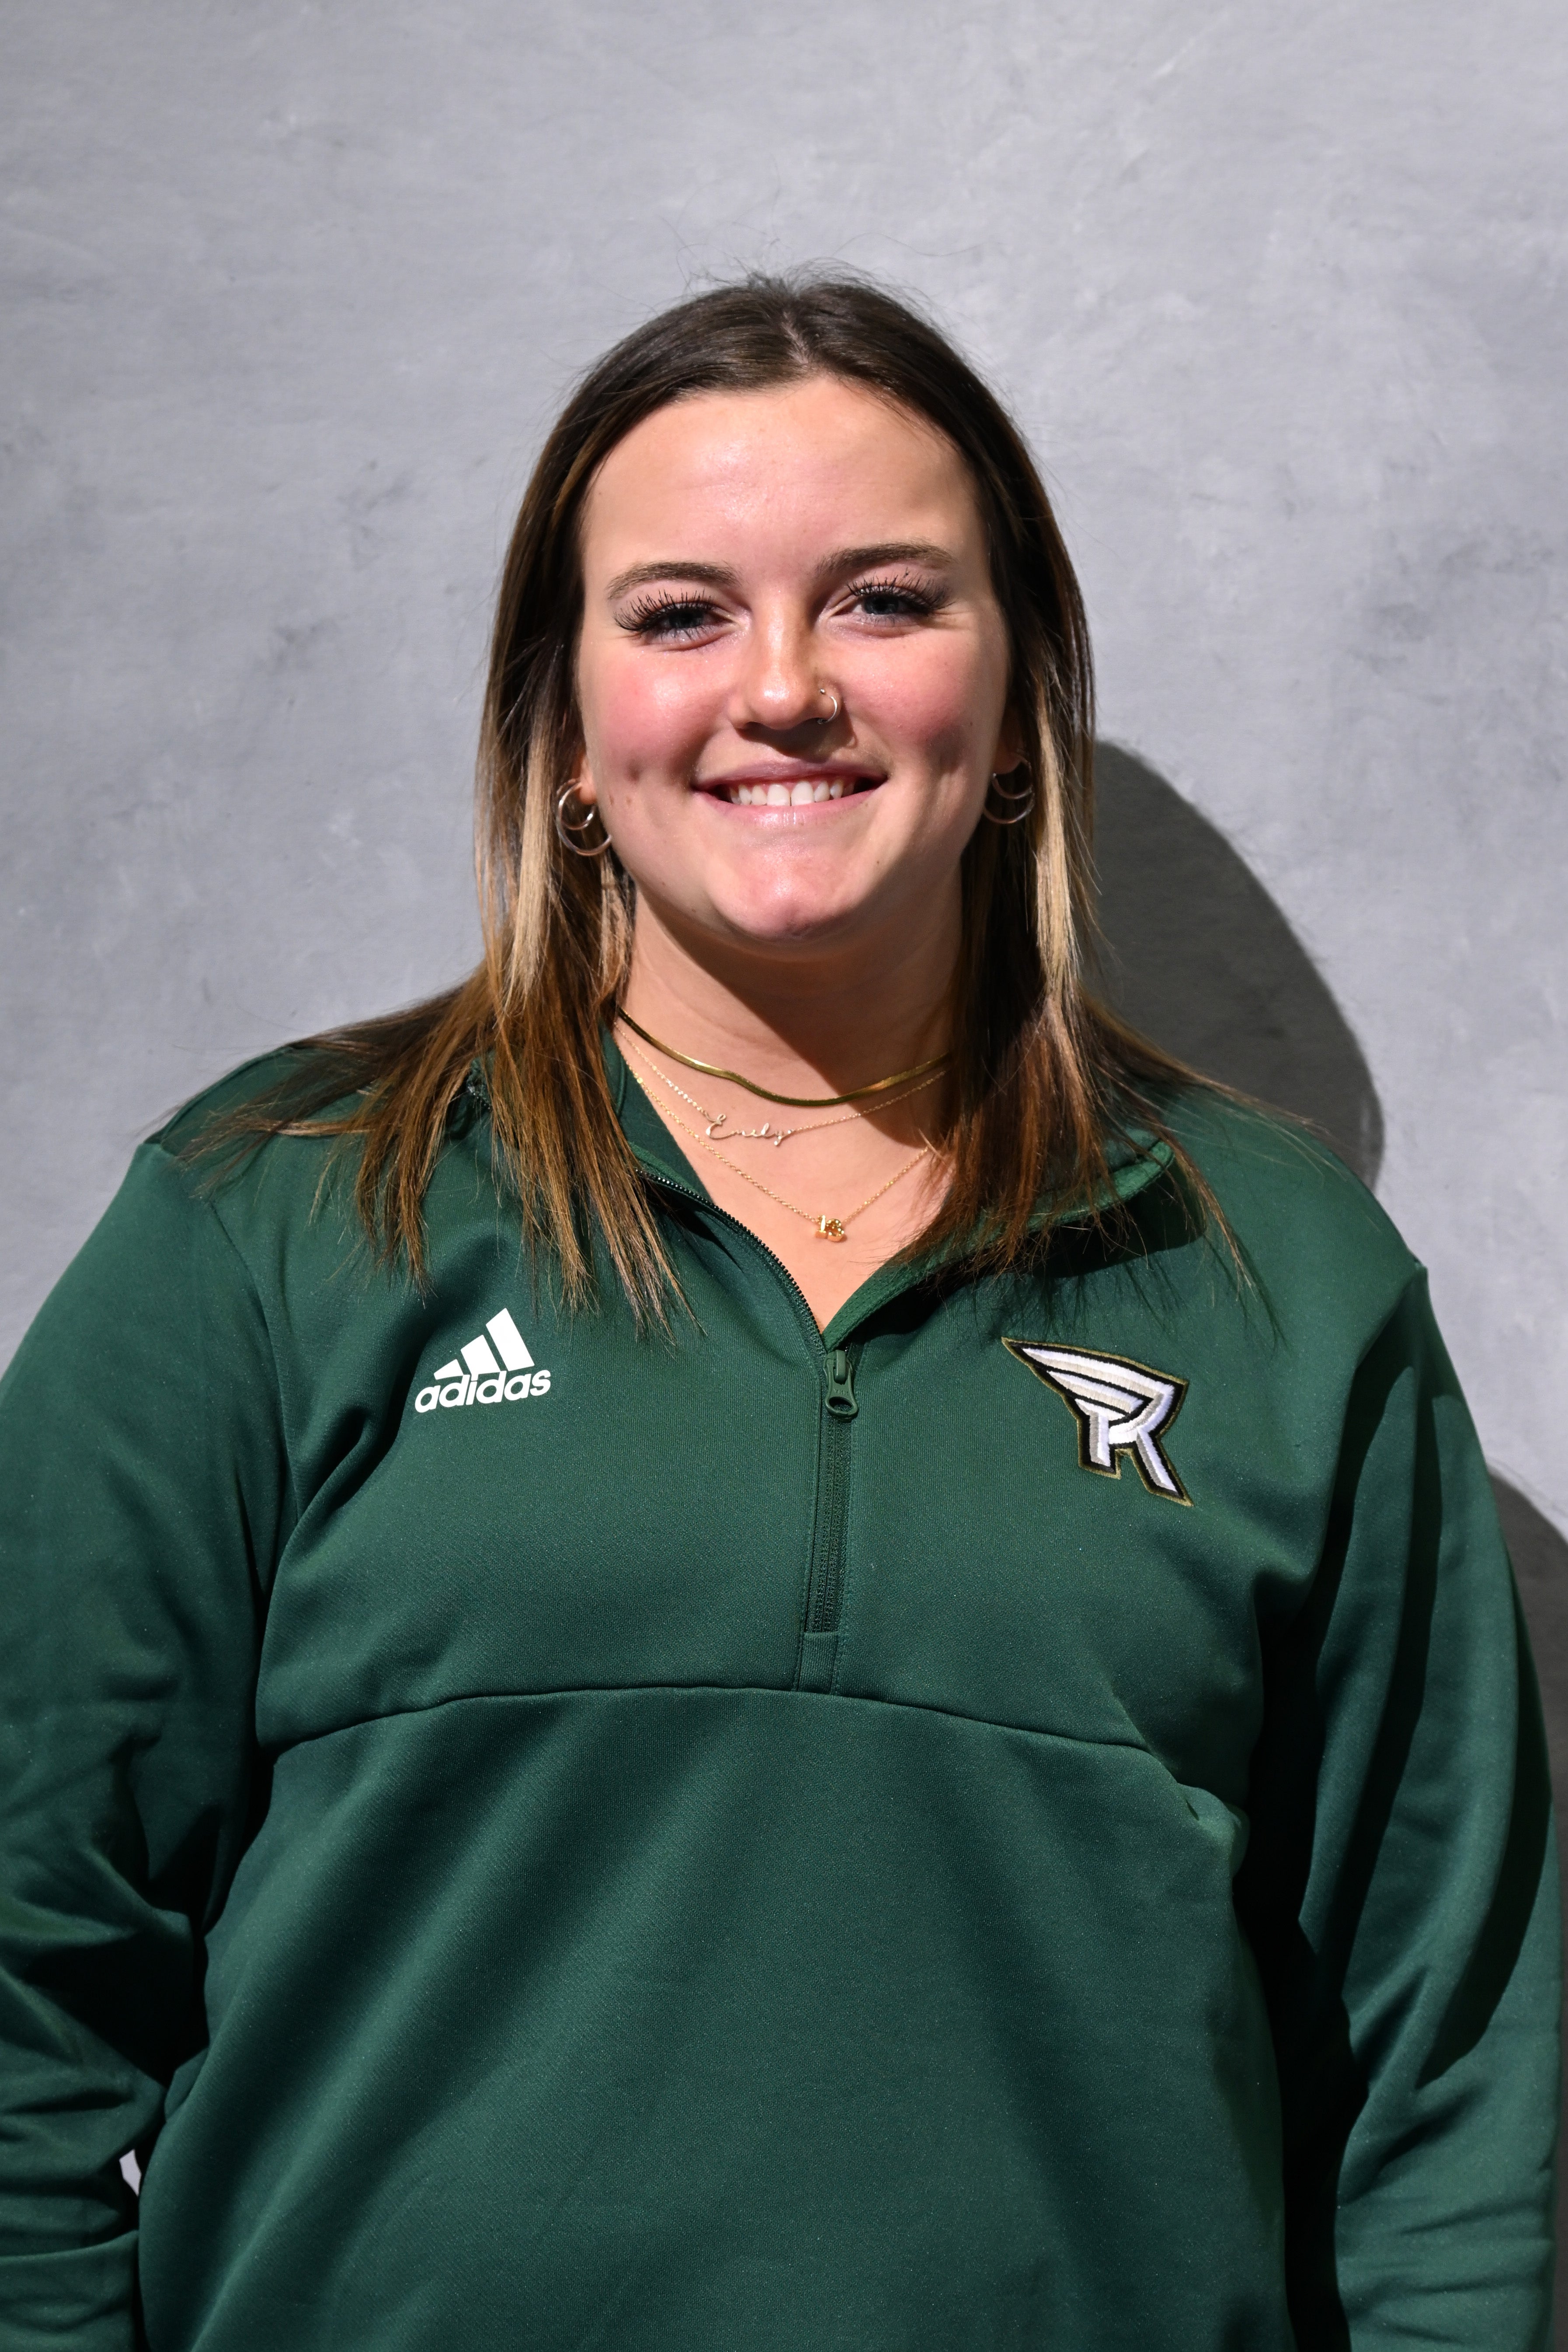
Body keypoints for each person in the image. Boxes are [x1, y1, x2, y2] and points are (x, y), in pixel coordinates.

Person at [0, 274, 1556, 2352]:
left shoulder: (1286, 1276)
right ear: (566, 729)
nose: (787, 688)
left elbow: (1442, 2084)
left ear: (1018, 701)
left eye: (886, 600)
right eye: (681, 614)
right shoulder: (276, 1217)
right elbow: (21, 1976)